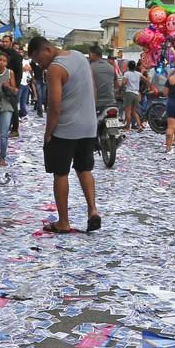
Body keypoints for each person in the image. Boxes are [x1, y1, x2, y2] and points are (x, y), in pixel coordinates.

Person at [28, 35, 100, 234]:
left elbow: (54, 106)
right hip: (88, 126)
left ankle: (63, 222)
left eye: (37, 59)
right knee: (84, 169)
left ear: (47, 50)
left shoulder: (55, 68)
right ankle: (93, 210)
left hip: (66, 129)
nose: (39, 64)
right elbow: (93, 89)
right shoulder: (79, 56)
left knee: (61, 173)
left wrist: (48, 133)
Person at [87, 45, 117, 114]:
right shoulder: (111, 67)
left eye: (89, 54)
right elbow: (116, 85)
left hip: (96, 104)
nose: (89, 56)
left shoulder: (89, 67)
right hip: (111, 102)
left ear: (93, 54)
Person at [120, 61, 144, 131]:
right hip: (136, 93)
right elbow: (146, 80)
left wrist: (121, 86)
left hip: (129, 93)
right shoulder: (138, 74)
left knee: (128, 111)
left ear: (128, 66)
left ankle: (127, 127)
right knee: (134, 111)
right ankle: (140, 126)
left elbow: (124, 83)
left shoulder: (127, 74)